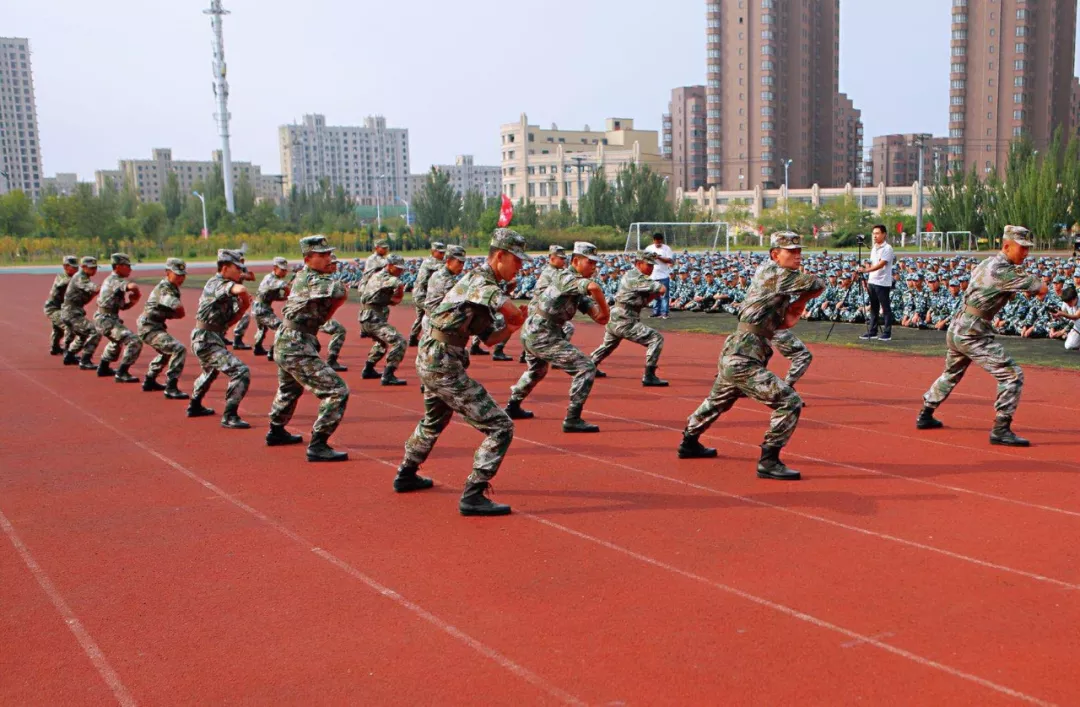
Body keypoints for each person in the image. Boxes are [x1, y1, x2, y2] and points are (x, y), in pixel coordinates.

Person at [397, 228, 529, 516]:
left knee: (434, 420)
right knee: (500, 426)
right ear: (500, 256)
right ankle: (473, 493)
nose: (520, 266)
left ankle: (406, 474)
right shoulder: (480, 281)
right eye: (516, 260)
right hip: (441, 362)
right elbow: (505, 306)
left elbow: (490, 338)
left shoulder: (481, 288)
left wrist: (512, 328)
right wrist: (515, 315)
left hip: (439, 359)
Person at [677, 231, 824, 480]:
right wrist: (803, 299)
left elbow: (788, 315)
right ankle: (769, 459)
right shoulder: (777, 274)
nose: (798, 256)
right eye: (791, 251)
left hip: (738, 352)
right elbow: (817, 284)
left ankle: (689, 442)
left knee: (717, 402)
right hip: (743, 356)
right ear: (775, 255)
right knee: (789, 401)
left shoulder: (776, 277)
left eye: (799, 251)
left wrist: (797, 301)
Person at [917, 226, 1046, 446]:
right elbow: (1040, 288)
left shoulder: (987, 263)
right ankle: (1001, 429)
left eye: (1027, 249)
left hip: (959, 326)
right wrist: (1035, 290)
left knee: (951, 373)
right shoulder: (1005, 271)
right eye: (1021, 248)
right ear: (1006, 246)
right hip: (972, 333)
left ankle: (925, 414)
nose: (1025, 253)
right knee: (1012, 375)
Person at [506, 242, 611, 433]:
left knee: (536, 371)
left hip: (537, 332)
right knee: (586, 368)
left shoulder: (575, 288)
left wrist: (603, 313)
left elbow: (599, 318)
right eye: (590, 263)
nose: (594, 268)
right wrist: (604, 308)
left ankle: (513, 405)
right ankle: (573, 418)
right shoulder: (566, 277)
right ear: (576, 261)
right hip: (542, 333)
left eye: (596, 264)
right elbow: (594, 288)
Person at [267, 236, 351, 462]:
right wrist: (342, 289)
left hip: (291, 340)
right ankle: (318, 444)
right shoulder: (313, 280)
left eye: (328, 254)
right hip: (294, 343)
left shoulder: (308, 277)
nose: (327, 258)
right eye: (321, 255)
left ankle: (276, 431)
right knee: (336, 391)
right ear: (307, 259)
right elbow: (338, 291)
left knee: (289, 389)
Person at [188, 248, 253, 429]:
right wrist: (244, 297)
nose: (240, 271)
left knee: (210, 371)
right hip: (205, 339)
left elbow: (228, 322)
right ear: (224, 267)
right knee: (240, 371)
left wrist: (241, 309)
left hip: (212, 337)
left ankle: (194, 405)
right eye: (236, 268)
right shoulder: (216, 283)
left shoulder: (227, 290)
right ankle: (229, 415)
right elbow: (240, 289)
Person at [590, 250, 669, 386]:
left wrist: (654, 293)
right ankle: (649, 375)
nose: (651, 269)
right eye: (648, 265)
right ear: (638, 263)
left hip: (617, 316)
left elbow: (645, 300)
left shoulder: (632, 275)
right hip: (625, 319)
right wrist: (659, 289)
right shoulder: (637, 277)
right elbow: (661, 289)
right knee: (656, 339)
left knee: (608, 345)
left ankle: (589, 366)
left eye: (652, 266)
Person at [137, 258, 190, 399]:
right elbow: (178, 309)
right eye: (177, 274)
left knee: (166, 351)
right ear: (167, 272)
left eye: (183, 275)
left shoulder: (172, 287)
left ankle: (149, 380)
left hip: (155, 325)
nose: (181, 278)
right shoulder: (165, 288)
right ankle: (171, 387)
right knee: (178, 349)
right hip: (148, 327)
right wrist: (175, 315)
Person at [518, 245, 574, 363]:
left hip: (542, 308)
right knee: (567, 328)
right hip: (539, 309)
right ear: (552, 258)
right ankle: (558, 356)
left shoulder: (556, 271)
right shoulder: (551, 273)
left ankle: (528, 353)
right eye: (561, 258)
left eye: (564, 258)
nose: (564, 261)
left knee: (536, 332)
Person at [358, 253, 408, 385]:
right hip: (372, 317)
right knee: (400, 341)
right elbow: (398, 285)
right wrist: (397, 296)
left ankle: (368, 369)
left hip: (369, 316)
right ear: (389, 266)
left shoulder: (377, 275)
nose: (400, 271)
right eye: (398, 268)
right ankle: (388, 375)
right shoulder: (385, 277)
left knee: (381, 343)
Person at [94, 253, 143, 383]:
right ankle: (122, 372)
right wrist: (136, 292)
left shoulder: (114, 281)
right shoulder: (115, 280)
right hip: (105, 320)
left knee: (116, 340)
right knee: (134, 341)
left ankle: (103, 367)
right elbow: (133, 286)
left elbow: (122, 307)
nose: (130, 269)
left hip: (108, 318)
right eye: (127, 266)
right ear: (118, 266)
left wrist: (133, 301)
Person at [61, 256, 103, 369]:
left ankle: (69, 356)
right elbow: (94, 288)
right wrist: (109, 287)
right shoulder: (80, 277)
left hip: (73, 312)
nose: (94, 270)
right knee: (95, 332)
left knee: (82, 334)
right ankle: (85, 360)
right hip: (71, 313)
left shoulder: (84, 278)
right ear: (83, 267)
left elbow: (90, 295)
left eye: (95, 268)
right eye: (91, 268)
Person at [859, 224, 896, 342]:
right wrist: (864, 271)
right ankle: (873, 330)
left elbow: (881, 264)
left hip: (882, 282)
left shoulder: (887, 248)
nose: (875, 236)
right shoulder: (874, 248)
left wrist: (866, 270)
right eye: (873, 233)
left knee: (885, 308)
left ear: (884, 234)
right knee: (873, 308)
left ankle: (887, 332)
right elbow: (872, 263)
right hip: (872, 280)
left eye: (877, 233)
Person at [252, 257, 291, 359]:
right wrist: (289, 294)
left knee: (262, 328)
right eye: (282, 270)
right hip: (262, 309)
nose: (284, 272)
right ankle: (272, 351)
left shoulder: (272, 279)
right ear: (275, 268)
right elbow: (285, 286)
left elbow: (273, 296)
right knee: (280, 328)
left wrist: (284, 297)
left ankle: (258, 347)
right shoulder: (271, 279)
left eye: (285, 270)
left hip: (259, 307)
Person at [409, 242, 445, 346]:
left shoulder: (436, 261)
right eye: (440, 252)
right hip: (421, 294)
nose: (442, 255)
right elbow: (443, 268)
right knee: (432, 314)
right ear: (433, 252)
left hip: (422, 293)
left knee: (420, 317)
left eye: (443, 253)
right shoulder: (430, 261)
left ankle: (413, 337)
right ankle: (430, 339)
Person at [44, 255, 78, 356]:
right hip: (53, 309)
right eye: (73, 267)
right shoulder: (61, 277)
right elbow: (61, 284)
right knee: (68, 326)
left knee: (58, 329)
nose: (76, 269)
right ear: (65, 267)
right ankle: (68, 351)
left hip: (62, 308)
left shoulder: (74, 278)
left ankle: (55, 348)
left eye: (77, 267)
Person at [320, 254, 348, 371]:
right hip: (314, 315)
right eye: (333, 264)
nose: (335, 266)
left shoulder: (329, 277)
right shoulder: (321, 278)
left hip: (318, 315)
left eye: (336, 264)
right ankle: (331, 361)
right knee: (339, 330)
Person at [230, 254, 257, 350]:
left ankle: (237, 341)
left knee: (243, 315)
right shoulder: (230, 269)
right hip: (227, 297)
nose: (242, 262)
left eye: (242, 260)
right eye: (240, 260)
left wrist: (244, 275)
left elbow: (252, 277)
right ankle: (237, 341)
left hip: (235, 297)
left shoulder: (242, 268)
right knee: (244, 316)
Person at [645, 232, 675, 319]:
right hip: (653, 275)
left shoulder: (666, 248)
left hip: (664, 275)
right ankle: (656, 312)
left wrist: (658, 257)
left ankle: (664, 313)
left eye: (659, 242)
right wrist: (651, 257)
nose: (658, 244)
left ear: (662, 240)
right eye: (656, 242)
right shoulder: (649, 248)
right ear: (653, 240)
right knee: (654, 295)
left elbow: (669, 260)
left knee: (664, 295)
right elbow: (645, 259)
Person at [1053, 285, 1080, 350]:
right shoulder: (1066, 302)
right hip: (1078, 327)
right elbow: (1068, 319)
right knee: (1069, 345)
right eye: (1066, 302)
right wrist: (1057, 316)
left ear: (1076, 298)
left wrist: (1062, 314)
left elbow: (1076, 317)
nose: (1068, 304)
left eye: (1070, 302)